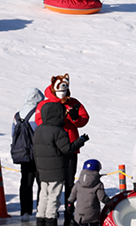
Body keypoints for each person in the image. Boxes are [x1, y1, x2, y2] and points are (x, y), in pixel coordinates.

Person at [33, 75, 90, 226]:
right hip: (52, 149)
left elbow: (83, 119)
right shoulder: (44, 104)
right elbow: (39, 121)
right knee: (47, 184)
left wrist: (74, 118)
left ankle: (69, 215)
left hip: (70, 146)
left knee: (69, 182)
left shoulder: (73, 102)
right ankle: (47, 214)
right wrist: (61, 121)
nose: (63, 93)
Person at [12, 88, 45, 222]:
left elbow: (14, 134)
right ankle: (40, 209)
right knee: (41, 182)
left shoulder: (17, 115)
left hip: (23, 153)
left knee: (25, 181)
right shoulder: (39, 114)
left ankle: (25, 210)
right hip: (39, 153)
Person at [67, 159, 110, 226]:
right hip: (93, 215)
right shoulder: (98, 184)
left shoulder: (78, 183)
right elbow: (102, 198)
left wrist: (69, 203)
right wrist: (111, 203)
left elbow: (72, 195)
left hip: (79, 215)